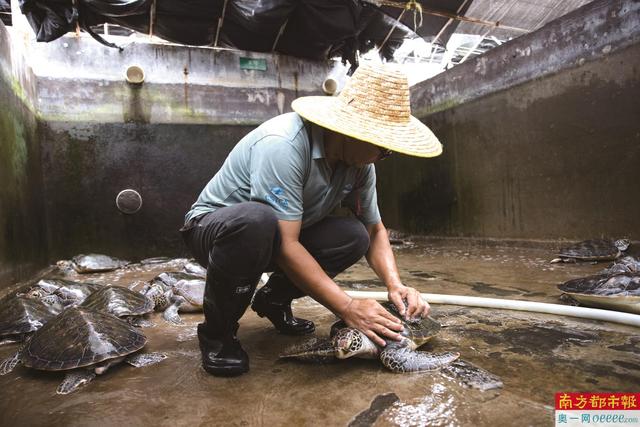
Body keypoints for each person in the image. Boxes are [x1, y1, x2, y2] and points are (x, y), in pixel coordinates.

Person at [180, 62, 443, 377]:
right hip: (216, 232)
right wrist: (346, 307)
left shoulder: (360, 166)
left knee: (354, 235)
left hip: (276, 236)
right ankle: (217, 333)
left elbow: (374, 230)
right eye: (382, 147)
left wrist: (395, 285)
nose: (382, 156)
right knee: (256, 221)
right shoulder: (283, 144)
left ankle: (273, 300)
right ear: (353, 130)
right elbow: (286, 243)